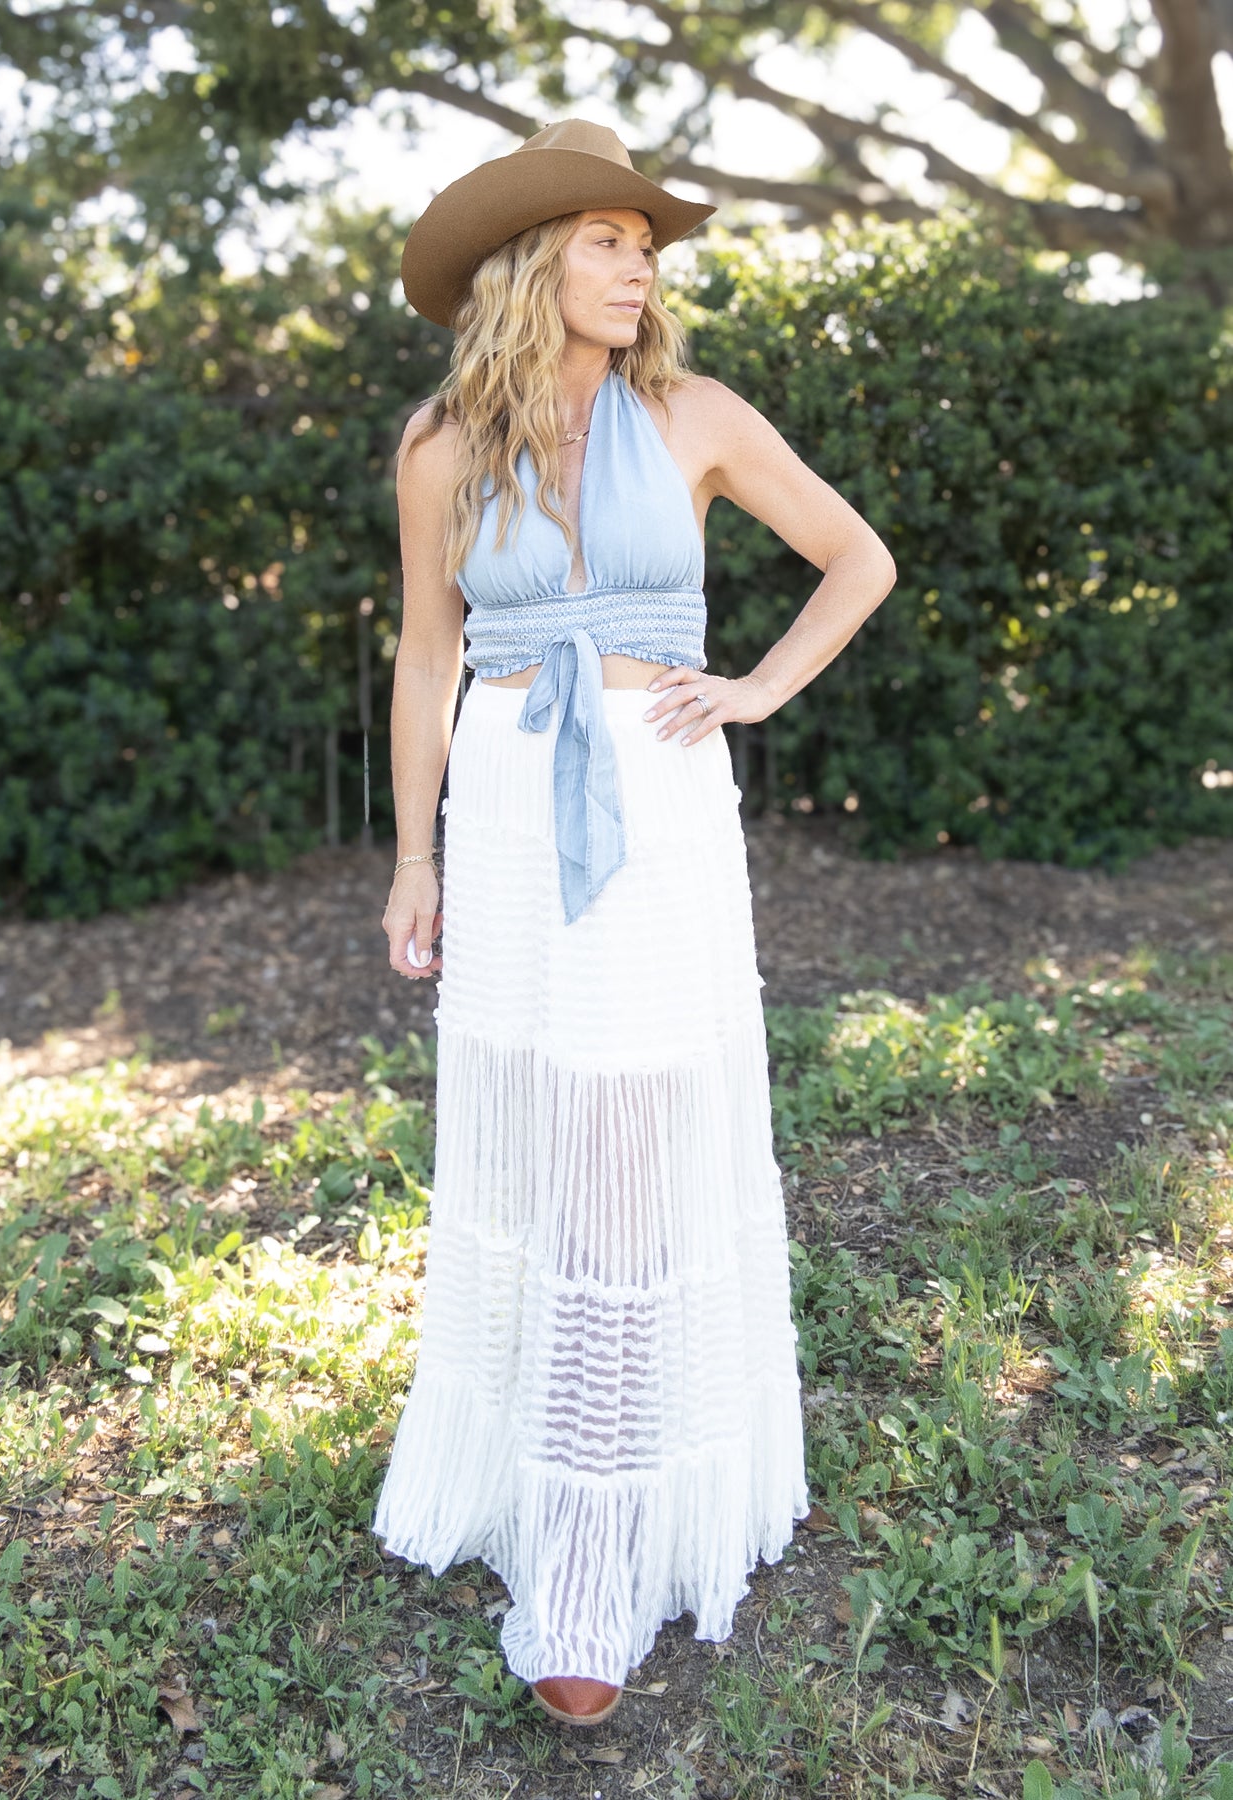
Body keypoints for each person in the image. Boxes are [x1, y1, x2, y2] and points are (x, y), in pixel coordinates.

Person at [373, 118, 896, 1728]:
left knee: (632, 1126)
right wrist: (411, 858)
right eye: (604, 238)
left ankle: (595, 1547)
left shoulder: (697, 415)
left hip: (659, 799)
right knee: (546, 1127)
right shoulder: (441, 446)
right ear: (530, 263)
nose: (637, 265)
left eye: (644, 244)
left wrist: (755, 690)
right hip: (507, 804)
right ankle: (538, 1475)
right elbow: (425, 657)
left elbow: (855, 559)